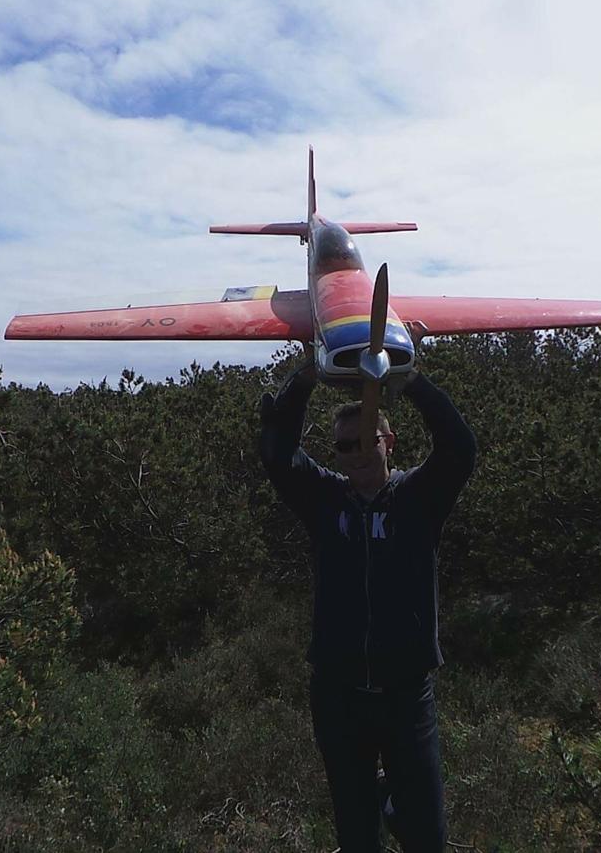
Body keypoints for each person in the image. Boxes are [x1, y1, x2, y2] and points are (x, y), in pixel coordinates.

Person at [258, 349, 477, 853]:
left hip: (406, 694)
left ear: (389, 442)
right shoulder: (325, 500)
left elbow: (459, 449)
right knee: (357, 838)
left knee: (427, 839)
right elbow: (279, 455)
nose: (355, 454)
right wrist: (306, 378)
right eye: (343, 445)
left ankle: (394, 802)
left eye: (366, 441)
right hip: (339, 696)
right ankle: (376, 803)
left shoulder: (419, 498)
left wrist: (411, 380)